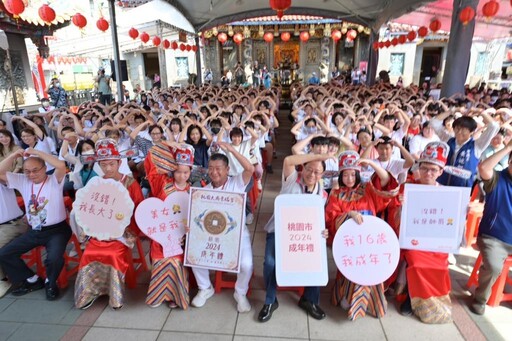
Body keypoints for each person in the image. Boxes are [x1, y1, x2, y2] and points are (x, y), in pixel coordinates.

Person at [325, 151, 399, 320]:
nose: (349, 179)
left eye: (353, 174)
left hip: (370, 242)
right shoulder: (336, 195)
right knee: (350, 270)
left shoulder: (368, 190)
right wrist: (348, 215)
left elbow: (387, 184)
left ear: (358, 174)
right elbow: (330, 219)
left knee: (371, 270)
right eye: (345, 175)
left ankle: (371, 302)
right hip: (350, 244)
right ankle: (348, 297)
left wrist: (372, 164)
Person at [258, 153, 331, 322]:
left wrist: (323, 230)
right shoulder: (291, 180)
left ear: (322, 175)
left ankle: (309, 299)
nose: (312, 174)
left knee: (317, 262)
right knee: (270, 263)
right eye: (309, 169)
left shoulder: (323, 195)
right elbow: (288, 160)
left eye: (317, 172)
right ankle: (270, 301)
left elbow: (320, 220)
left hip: (306, 236)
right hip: (279, 232)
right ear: (302, 168)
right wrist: (321, 155)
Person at [387, 142, 454, 323]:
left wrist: (460, 211)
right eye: (424, 168)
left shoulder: (447, 194)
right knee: (416, 261)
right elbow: (394, 216)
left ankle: (427, 300)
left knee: (440, 265)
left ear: (441, 171)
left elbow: (450, 223)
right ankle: (410, 297)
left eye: (433, 170)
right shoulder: (408, 187)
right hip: (412, 240)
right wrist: (400, 206)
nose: (428, 173)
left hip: (435, 242)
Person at [73, 138, 144, 310]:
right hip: (100, 230)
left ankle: (115, 296)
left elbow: (140, 210)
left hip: (124, 232)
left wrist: (123, 229)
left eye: (112, 164)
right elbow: (88, 209)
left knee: (113, 253)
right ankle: (89, 293)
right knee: (90, 252)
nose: (108, 169)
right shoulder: (96, 183)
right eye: (104, 165)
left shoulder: (130, 183)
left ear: (119, 162)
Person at [190, 142, 255, 313]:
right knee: (193, 254)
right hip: (212, 235)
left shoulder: (236, 183)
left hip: (238, 234)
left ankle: (240, 292)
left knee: (247, 265)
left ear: (227, 170)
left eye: (219, 168)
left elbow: (250, 169)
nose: (214, 172)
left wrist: (232, 150)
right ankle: (205, 288)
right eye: (211, 168)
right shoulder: (203, 191)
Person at [0, 148, 71, 300]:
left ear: (45, 168)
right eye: (27, 171)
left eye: (35, 170)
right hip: (35, 231)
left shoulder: (54, 179)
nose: (31, 175)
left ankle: (50, 282)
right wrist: (13, 155)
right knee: (5, 253)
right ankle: (32, 279)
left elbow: (60, 165)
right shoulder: (23, 181)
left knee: (53, 258)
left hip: (57, 230)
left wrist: (37, 153)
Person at [145, 144, 193, 309]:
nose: (182, 175)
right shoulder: (163, 183)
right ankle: (158, 293)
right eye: (178, 171)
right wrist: (167, 145)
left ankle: (176, 295)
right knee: (161, 258)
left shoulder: (193, 190)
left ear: (190, 172)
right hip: (162, 234)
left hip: (182, 237)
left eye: (186, 172)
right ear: (173, 171)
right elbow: (152, 162)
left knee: (176, 262)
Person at [469, 139, 512, 315]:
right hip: (493, 237)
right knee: (494, 267)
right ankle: (480, 299)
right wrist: (508, 147)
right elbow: (483, 168)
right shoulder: (497, 179)